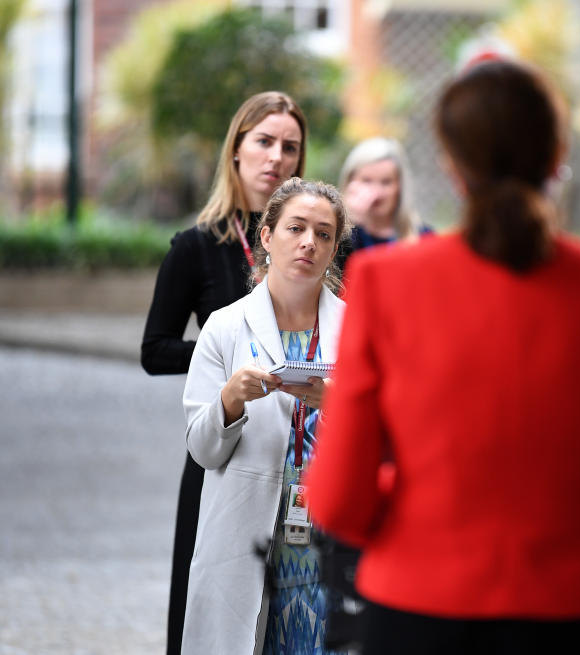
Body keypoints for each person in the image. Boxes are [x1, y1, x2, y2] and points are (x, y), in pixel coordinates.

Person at [305, 59, 580, 655]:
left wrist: (428, 513)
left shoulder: (386, 284)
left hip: (419, 612)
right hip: (578, 614)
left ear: (450, 165)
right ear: (556, 154)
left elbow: (338, 500)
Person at [140, 90, 307, 655]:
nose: (276, 158)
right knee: (206, 611)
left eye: (290, 147)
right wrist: (228, 355)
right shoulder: (196, 246)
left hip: (303, 457)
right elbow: (155, 348)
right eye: (263, 142)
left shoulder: (318, 241)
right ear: (235, 151)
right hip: (222, 451)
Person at [180, 177, 348, 654]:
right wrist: (230, 400)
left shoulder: (357, 330)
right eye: (296, 228)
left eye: (323, 234)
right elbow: (203, 448)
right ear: (267, 236)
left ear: (334, 249)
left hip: (324, 545)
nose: (308, 243)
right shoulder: (226, 326)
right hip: (246, 535)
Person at [333, 136, 430, 274]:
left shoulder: (423, 237)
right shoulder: (334, 236)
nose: (376, 192)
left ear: (400, 187)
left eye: (386, 182)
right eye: (366, 181)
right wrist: (348, 223)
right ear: (349, 183)